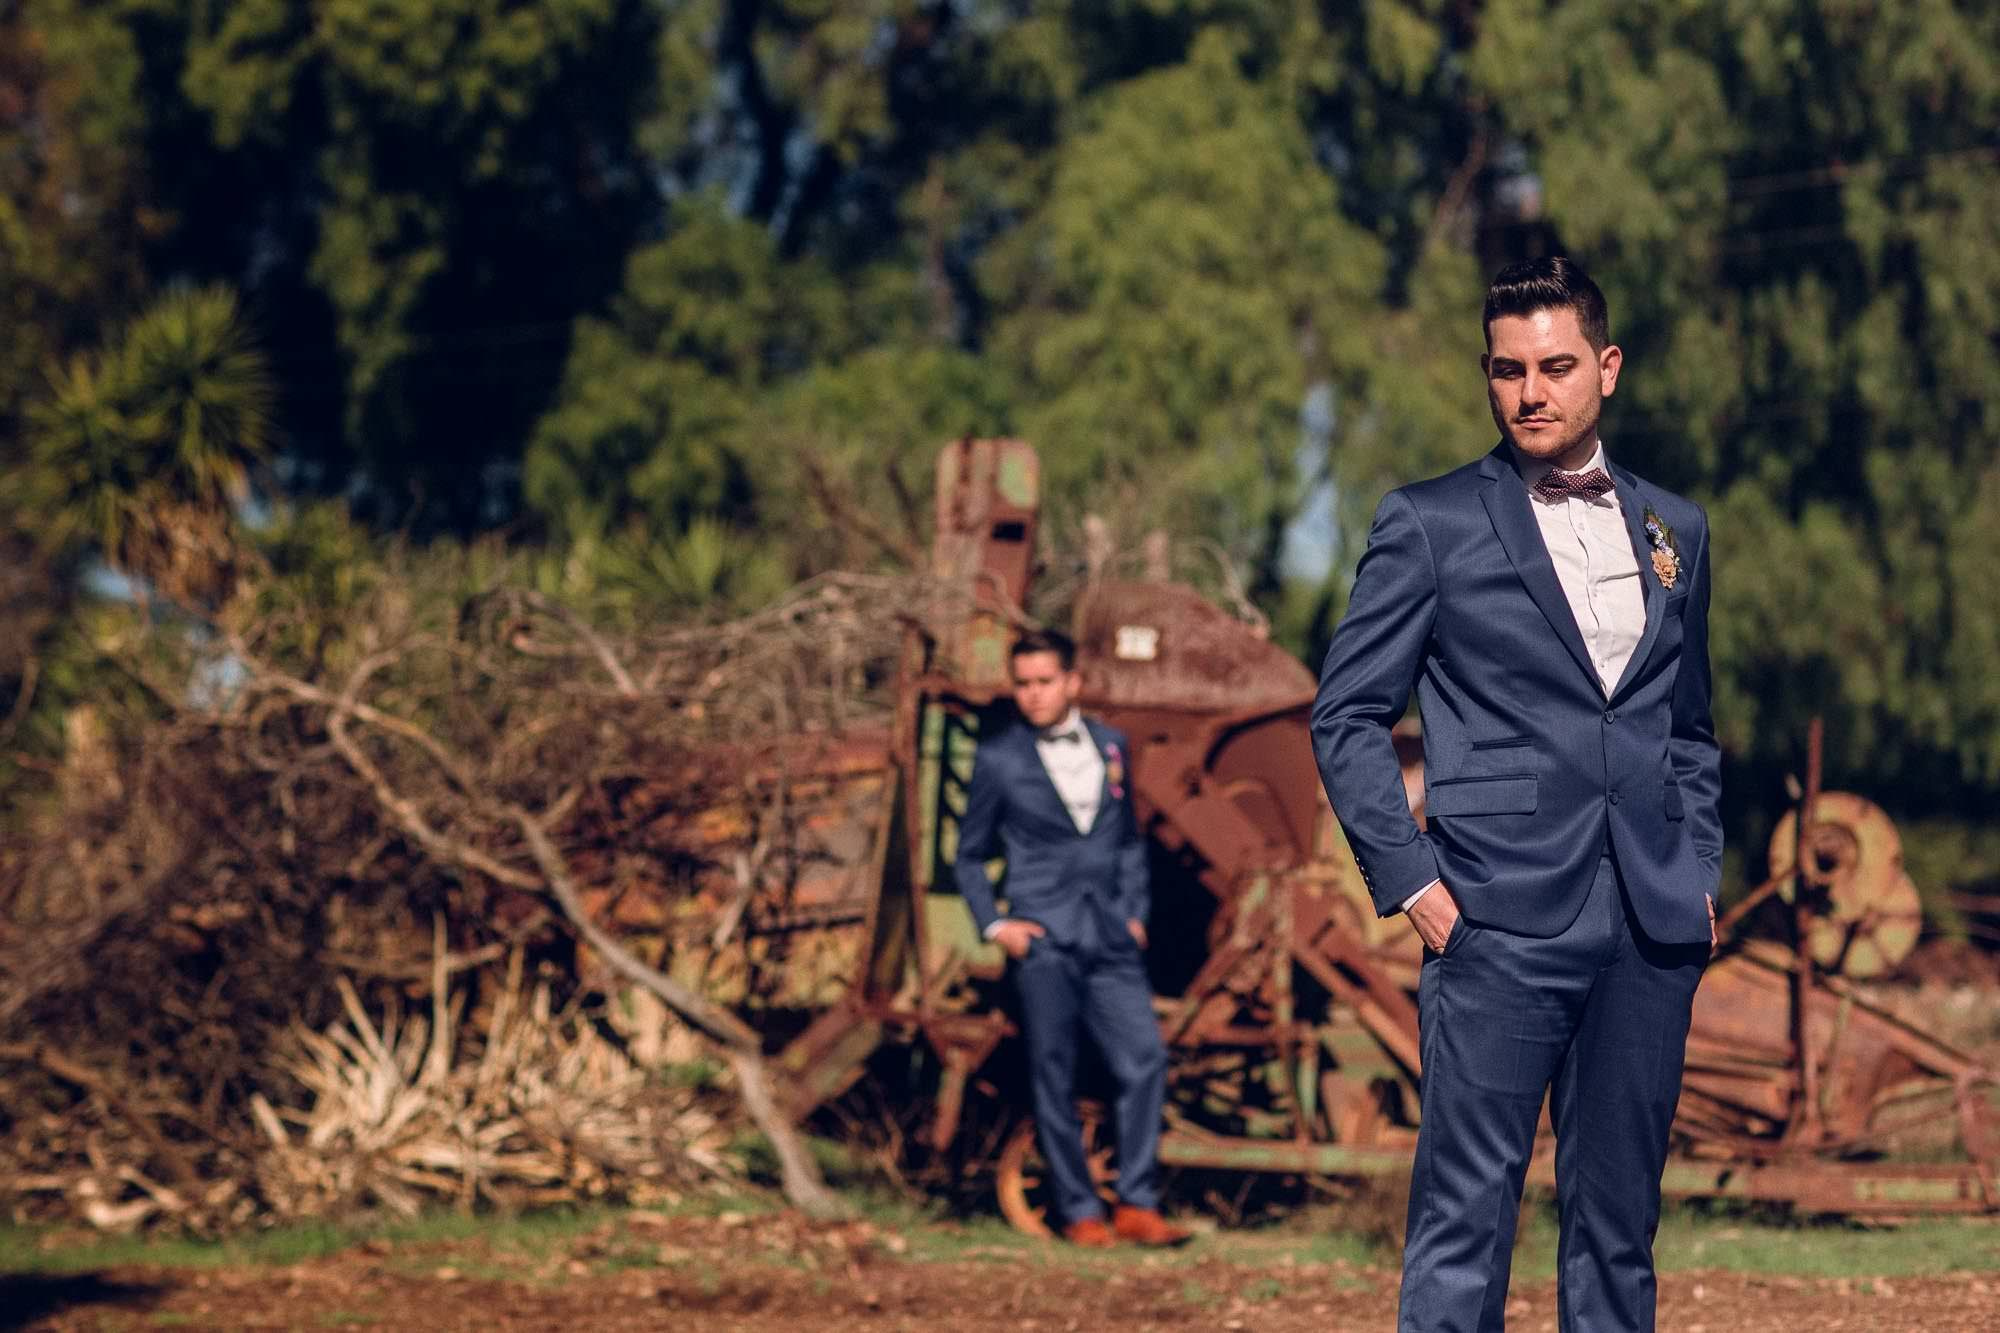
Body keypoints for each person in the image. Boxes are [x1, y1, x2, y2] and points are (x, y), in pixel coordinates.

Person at [1311, 255, 1720, 1331]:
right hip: (1491, 918)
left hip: (1648, 924)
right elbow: (1345, 713)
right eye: (1505, 371)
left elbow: (1687, 731)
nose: (1528, 392)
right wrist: (1410, 881)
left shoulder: (1677, 530)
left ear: (1606, 367)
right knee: (1463, 1218)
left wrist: (1699, 874)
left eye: (1552, 366)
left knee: (1617, 1228)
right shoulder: (1430, 522)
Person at [953, 628, 1191, 1248]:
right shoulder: (999, 758)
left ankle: (1137, 1203)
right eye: (1023, 684)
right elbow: (969, 855)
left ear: (1072, 683)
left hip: (1111, 938)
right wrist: (997, 925)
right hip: (1044, 941)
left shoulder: (1113, 747)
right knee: (1052, 1074)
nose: (1032, 695)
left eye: (1044, 682)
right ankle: (1079, 1211)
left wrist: (1134, 912)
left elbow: (1129, 839)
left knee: (1144, 1060)